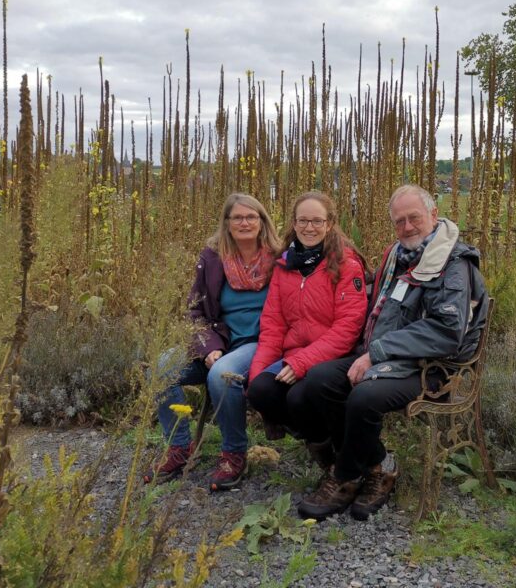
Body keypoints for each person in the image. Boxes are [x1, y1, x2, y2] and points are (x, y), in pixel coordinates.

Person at [294, 184, 488, 521]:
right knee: (318, 380)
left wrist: (376, 353)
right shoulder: (398, 255)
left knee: (364, 397)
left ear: (433, 215)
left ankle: (344, 477)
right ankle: (379, 465)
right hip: (387, 356)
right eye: (399, 221)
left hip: (432, 367)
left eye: (414, 218)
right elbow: (377, 303)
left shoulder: (453, 263)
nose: (407, 227)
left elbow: (446, 332)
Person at [143, 193, 281, 489]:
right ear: (227, 223)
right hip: (219, 341)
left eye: (251, 217)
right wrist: (208, 347)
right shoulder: (213, 258)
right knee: (161, 368)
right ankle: (179, 448)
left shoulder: (279, 259)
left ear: (262, 221)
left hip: (260, 342)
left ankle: (234, 453)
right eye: (237, 217)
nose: (244, 222)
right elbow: (195, 311)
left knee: (222, 375)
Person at [246, 191, 368, 461]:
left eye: (317, 221)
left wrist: (301, 363)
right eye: (302, 221)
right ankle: (321, 443)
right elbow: (273, 325)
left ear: (329, 224)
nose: (309, 228)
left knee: (299, 397)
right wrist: (257, 373)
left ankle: (341, 452)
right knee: (260, 391)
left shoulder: (345, 264)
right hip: (294, 356)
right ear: (294, 223)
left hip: (332, 357)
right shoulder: (285, 266)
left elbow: (348, 327)